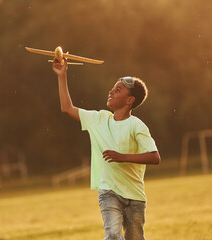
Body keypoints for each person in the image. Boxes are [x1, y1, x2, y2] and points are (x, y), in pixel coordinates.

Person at [52, 57, 160, 240]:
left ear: (130, 100)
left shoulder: (136, 125)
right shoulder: (99, 119)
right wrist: (62, 75)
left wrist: (122, 157)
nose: (111, 91)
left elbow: (154, 157)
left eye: (118, 90)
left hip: (135, 196)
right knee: (113, 236)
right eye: (113, 88)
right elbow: (66, 108)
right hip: (109, 192)